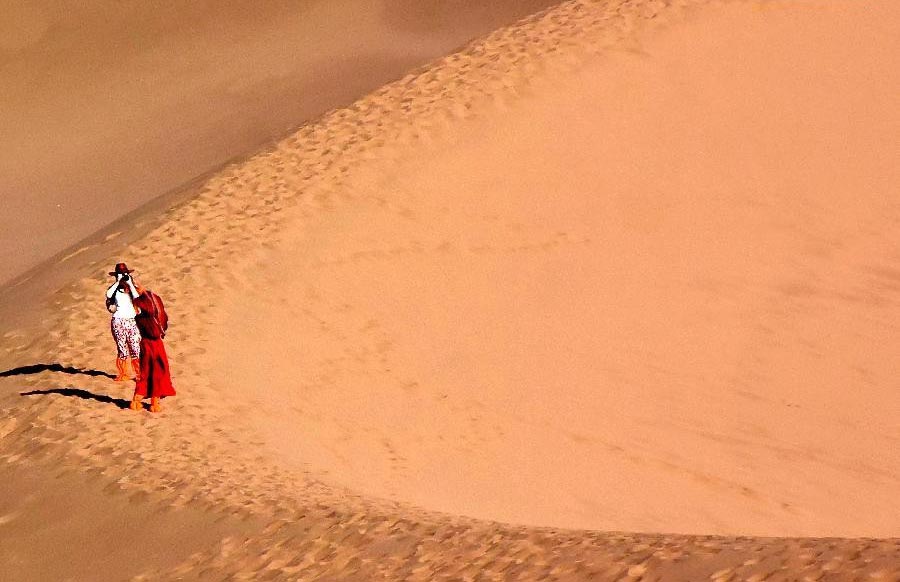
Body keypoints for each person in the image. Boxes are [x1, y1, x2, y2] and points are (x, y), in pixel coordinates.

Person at [129, 278, 176, 412]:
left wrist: (142, 293)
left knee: (150, 371)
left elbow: (148, 305)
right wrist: (143, 292)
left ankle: (144, 399)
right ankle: (150, 400)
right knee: (154, 371)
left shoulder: (145, 317)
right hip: (152, 344)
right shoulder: (153, 318)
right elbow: (152, 305)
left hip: (149, 344)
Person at [105, 263, 141, 382]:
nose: (123, 276)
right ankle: (123, 373)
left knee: (135, 348)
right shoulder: (114, 290)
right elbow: (108, 294)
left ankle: (139, 373)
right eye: (120, 274)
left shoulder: (132, 288)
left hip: (132, 321)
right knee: (122, 349)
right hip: (118, 321)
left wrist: (130, 283)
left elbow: (137, 298)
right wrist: (117, 282)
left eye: (125, 274)